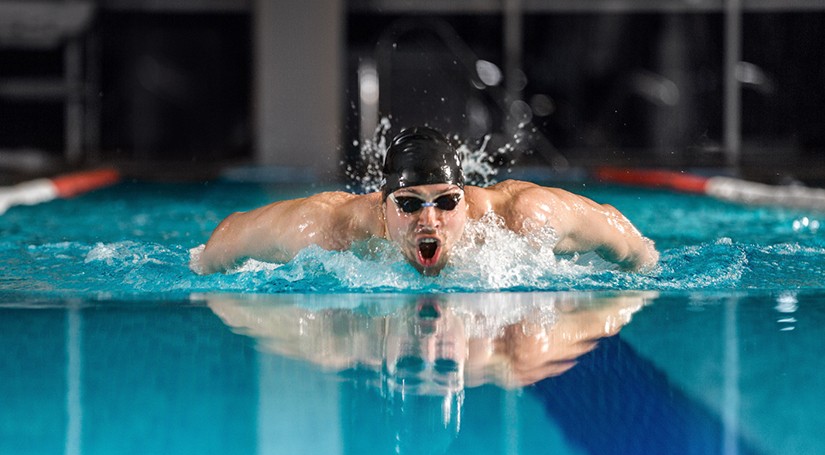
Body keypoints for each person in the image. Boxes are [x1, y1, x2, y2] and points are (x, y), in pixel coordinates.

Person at [194, 126, 659, 276]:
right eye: (409, 204)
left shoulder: (521, 218)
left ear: (465, 198)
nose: (429, 220)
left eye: (445, 202)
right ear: (382, 205)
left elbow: (629, 242)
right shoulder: (329, 228)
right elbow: (224, 239)